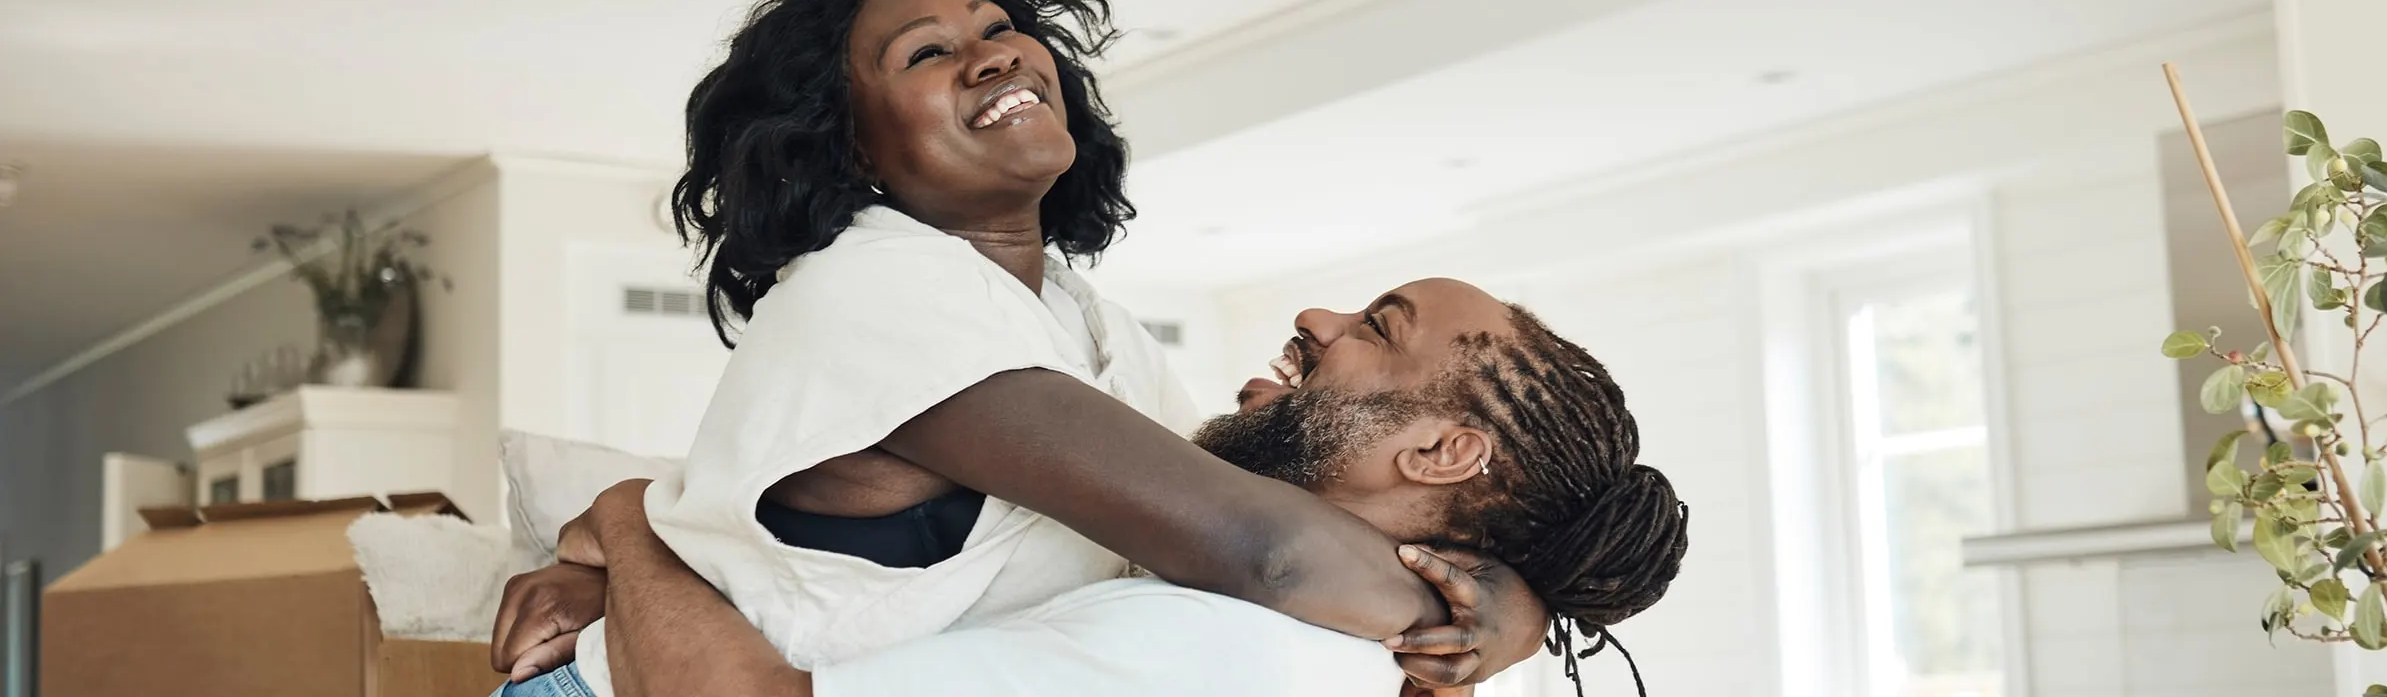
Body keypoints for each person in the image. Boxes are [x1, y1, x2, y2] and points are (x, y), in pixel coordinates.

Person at [491, 0, 1540, 697]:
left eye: (998, 29)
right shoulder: (875, 287)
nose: (995, 55)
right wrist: (1493, 605)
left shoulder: (1088, 322)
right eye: (924, 54)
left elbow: (1234, 504)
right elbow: (1270, 551)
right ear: (849, 146)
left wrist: (1522, 596)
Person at [503, 279, 1691, 697]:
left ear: (1438, 455)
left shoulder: (1217, 642)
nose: (1318, 316)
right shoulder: (1320, 617)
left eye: (1379, 325)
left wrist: (622, 517)